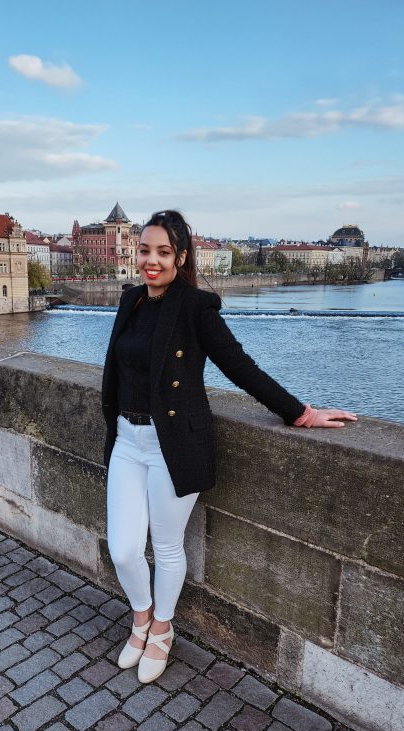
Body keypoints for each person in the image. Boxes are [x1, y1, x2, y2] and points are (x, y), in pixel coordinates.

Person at [101, 209, 356, 684]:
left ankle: (162, 628)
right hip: (127, 441)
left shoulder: (197, 307)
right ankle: (140, 616)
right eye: (144, 250)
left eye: (162, 252)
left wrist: (299, 413)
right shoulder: (131, 300)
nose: (150, 261)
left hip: (173, 444)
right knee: (122, 549)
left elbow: (239, 365)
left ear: (181, 257)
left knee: (167, 545)